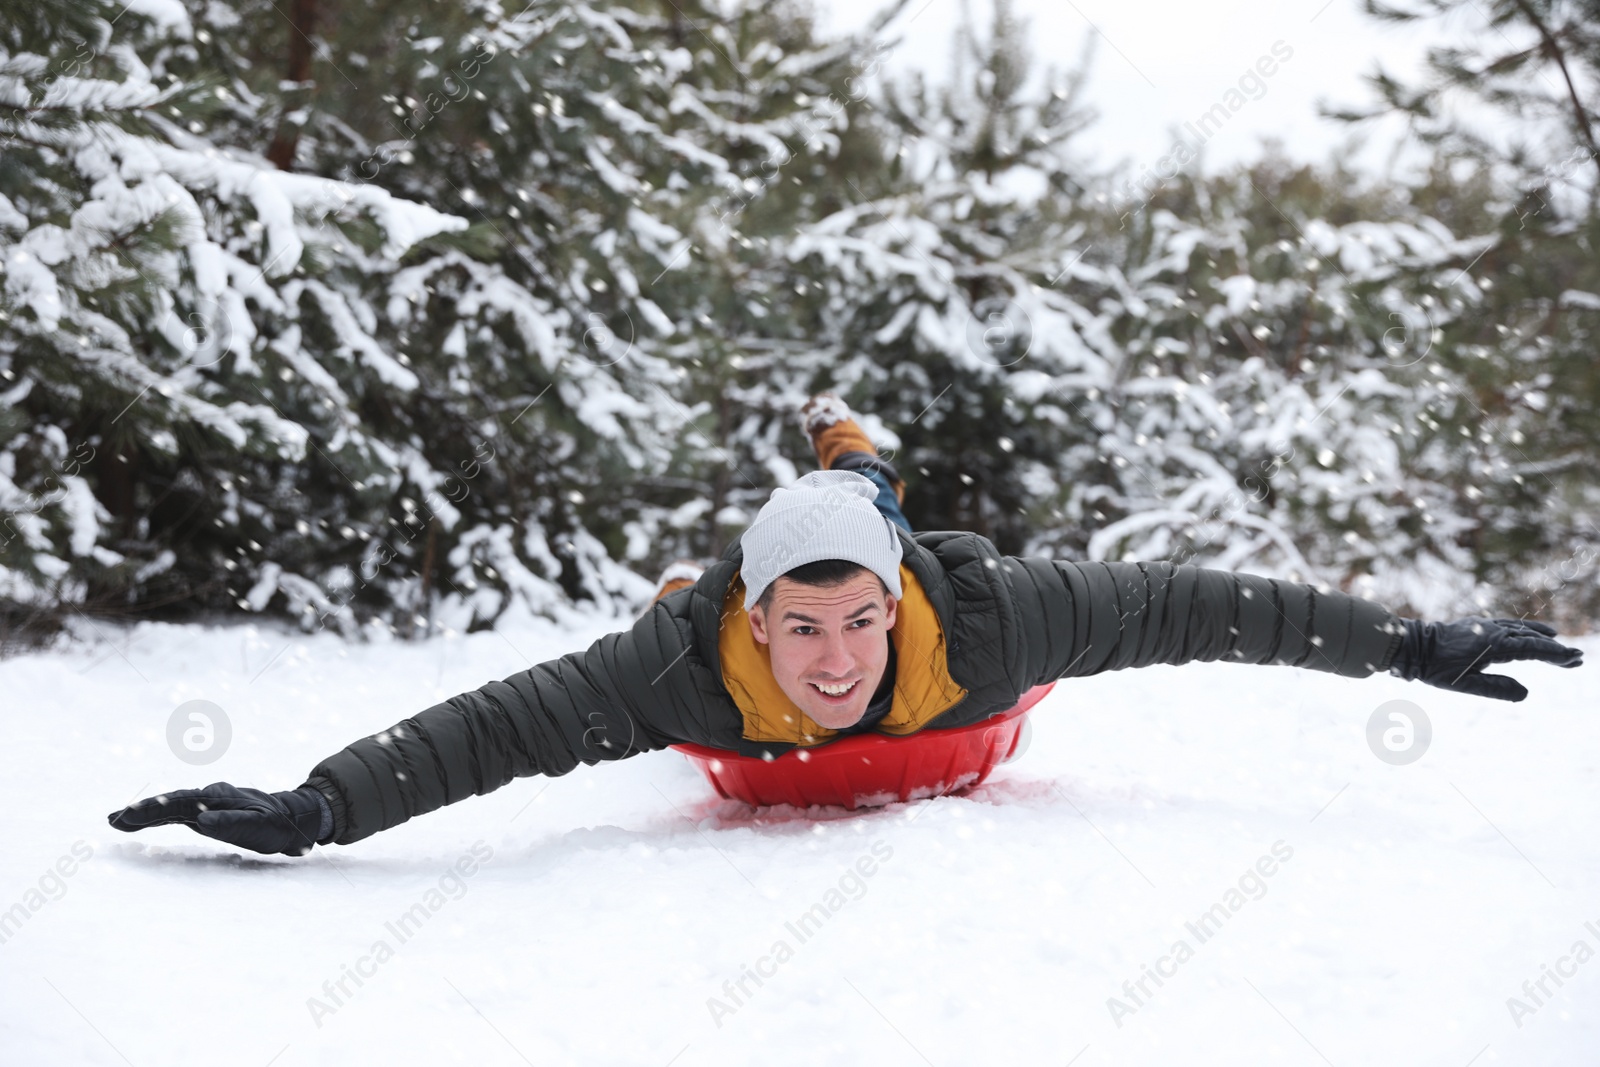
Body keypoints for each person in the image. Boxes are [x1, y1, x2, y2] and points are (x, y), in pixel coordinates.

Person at [108, 394, 1585, 856]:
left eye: (858, 627)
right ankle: (841, 479)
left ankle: (857, 469)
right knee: (791, 539)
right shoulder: (687, 659)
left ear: (900, 611)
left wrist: (1401, 645)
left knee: (862, 507)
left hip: (951, 664)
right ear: (754, 623)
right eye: (797, 630)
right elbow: (502, 726)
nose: (829, 662)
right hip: (721, 614)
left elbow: (1203, 606)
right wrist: (320, 807)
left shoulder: (998, 622)